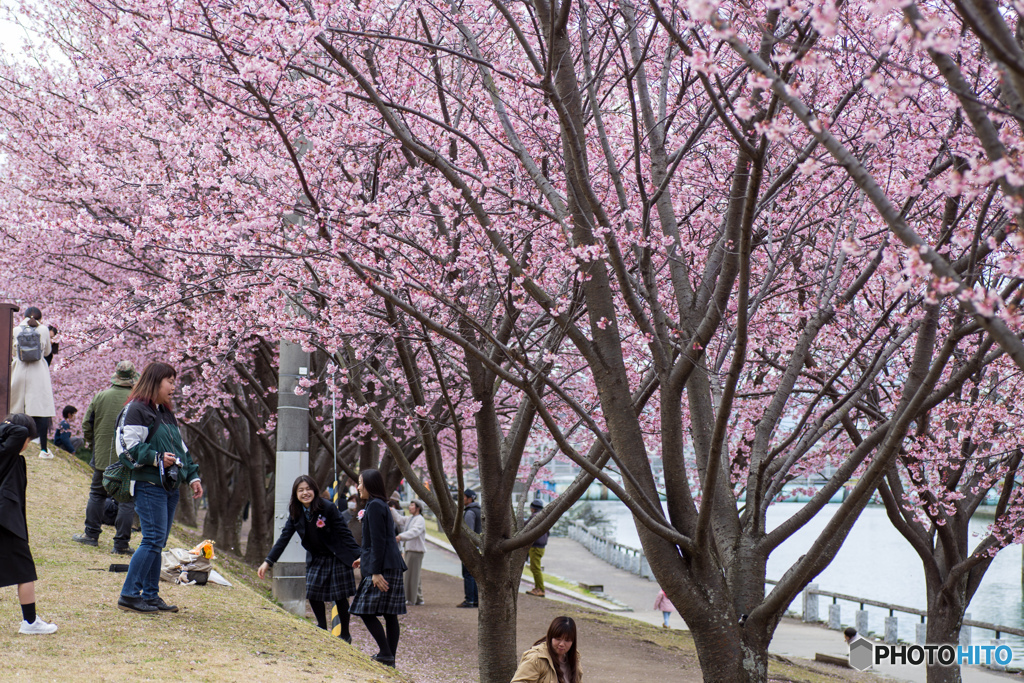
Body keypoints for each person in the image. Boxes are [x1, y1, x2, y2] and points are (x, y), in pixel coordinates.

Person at [115, 362, 202, 614]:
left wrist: (193, 476)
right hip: (149, 484)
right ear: (155, 381)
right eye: (170, 381)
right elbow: (126, 448)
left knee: (158, 542)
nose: (174, 387)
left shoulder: (164, 412)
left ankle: (151, 595)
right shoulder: (136, 410)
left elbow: (180, 449)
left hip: (169, 486)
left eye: (175, 381)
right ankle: (130, 595)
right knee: (152, 539)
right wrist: (155, 457)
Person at [258, 475, 361, 641]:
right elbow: (284, 538)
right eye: (301, 490)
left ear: (314, 490)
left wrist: (359, 555)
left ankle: (346, 634)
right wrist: (267, 562)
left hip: (337, 556)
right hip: (318, 556)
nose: (305, 493)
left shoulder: (327, 507)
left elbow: (345, 533)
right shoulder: (295, 512)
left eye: (308, 489)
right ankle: (322, 626)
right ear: (296, 493)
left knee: (340, 597)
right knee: (312, 591)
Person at [72, 361, 139, 555]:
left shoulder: (100, 396)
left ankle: (91, 535)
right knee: (126, 500)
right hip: (128, 457)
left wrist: (93, 444)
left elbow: (87, 424)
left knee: (97, 494)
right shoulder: (138, 400)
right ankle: (121, 544)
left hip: (102, 454)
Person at [0, 414, 58, 634]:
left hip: (7, 519)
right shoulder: (7, 452)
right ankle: (30, 622)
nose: (27, 443)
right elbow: (21, 432)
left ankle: (31, 621)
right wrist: (9, 426)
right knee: (24, 571)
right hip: (5, 521)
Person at [349, 468, 407, 667]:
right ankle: (389, 658)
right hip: (391, 564)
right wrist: (363, 560)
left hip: (384, 568)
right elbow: (377, 542)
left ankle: (385, 652)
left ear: (370, 485)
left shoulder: (374, 506)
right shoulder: (380, 504)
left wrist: (374, 571)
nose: (358, 487)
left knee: (364, 610)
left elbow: (378, 541)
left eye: (360, 483)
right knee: (390, 614)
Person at [9, 307, 56, 459]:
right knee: (40, 410)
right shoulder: (43, 330)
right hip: (38, 372)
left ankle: (11, 443)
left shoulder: (16, 329)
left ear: (23, 316)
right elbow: (48, 352)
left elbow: (12, 351)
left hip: (19, 370)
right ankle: (43, 450)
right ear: (40, 318)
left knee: (15, 407)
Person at [511, 615, 583, 683]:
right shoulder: (536, 658)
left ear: (573, 642)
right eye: (558, 639)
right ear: (550, 637)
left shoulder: (575, 659)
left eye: (567, 640)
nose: (561, 644)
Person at [395, 499, 426, 606]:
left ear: (418, 508)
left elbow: (414, 532)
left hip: (415, 550)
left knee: (411, 575)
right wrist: (391, 510)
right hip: (411, 550)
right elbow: (399, 519)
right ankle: (418, 598)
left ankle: (411, 599)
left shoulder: (420, 519)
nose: (410, 507)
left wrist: (400, 537)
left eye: (412, 505)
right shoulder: (411, 518)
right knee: (414, 574)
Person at [457, 488, 481, 608]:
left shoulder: (470, 512)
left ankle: (469, 600)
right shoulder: (479, 511)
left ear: (470, 498)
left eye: (464, 497)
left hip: (471, 548)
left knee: (468, 574)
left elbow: (468, 532)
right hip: (478, 547)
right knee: (475, 574)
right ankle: (476, 600)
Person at [525, 499, 549, 598]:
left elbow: (525, 526)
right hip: (541, 545)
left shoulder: (534, 517)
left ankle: (540, 589)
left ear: (533, 508)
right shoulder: (544, 517)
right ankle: (538, 588)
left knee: (535, 568)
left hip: (535, 546)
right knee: (535, 568)